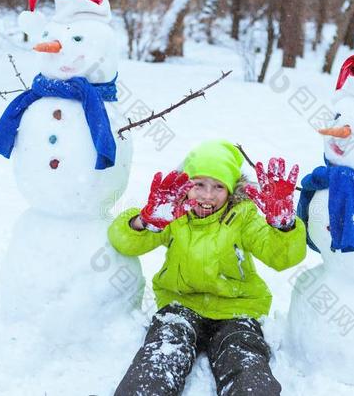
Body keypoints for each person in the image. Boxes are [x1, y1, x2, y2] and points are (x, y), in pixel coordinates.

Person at [108, 140, 306, 395]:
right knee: (161, 354)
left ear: (232, 190)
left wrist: (284, 227)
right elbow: (124, 243)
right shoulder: (172, 214)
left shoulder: (242, 216)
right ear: (186, 184)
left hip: (236, 310)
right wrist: (143, 221)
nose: (208, 195)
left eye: (219, 186)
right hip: (180, 306)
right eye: (199, 184)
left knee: (244, 359)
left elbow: (281, 258)